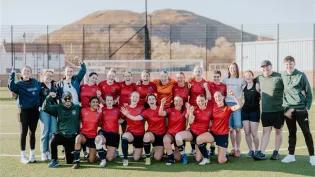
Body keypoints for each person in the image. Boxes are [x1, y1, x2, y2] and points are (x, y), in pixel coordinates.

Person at [280, 56, 314, 166]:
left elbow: (309, 92)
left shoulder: (301, 75)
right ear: (284, 65)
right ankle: (291, 156)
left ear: (294, 64)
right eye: (287, 64)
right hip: (288, 109)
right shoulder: (282, 75)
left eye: (291, 64)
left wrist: (307, 106)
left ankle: (312, 156)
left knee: (306, 132)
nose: (289, 66)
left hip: (300, 109)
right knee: (291, 132)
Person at [8, 66, 41, 164]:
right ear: (22, 74)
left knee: (32, 133)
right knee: (23, 133)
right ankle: (23, 156)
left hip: (35, 111)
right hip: (24, 111)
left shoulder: (35, 82)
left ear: (31, 73)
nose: (26, 72)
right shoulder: (19, 84)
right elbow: (11, 86)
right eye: (24, 71)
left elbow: (41, 90)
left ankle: (32, 155)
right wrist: (12, 74)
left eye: (28, 71)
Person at [254, 60, 284, 161]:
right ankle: (262, 152)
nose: (265, 69)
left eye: (267, 67)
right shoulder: (259, 78)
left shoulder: (279, 77)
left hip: (278, 110)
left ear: (271, 67)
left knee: (278, 131)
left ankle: (276, 152)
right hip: (266, 111)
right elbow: (250, 81)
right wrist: (257, 86)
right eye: (263, 67)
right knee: (265, 131)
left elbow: (287, 90)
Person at [43, 92, 81, 168]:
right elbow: (45, 108)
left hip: (72, 136)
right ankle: (54, 160)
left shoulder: (77, 107)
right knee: (53, 142)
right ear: (62, 100)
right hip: (62, 134)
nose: (67, 100)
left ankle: (77, 155)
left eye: (69, 99)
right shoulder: (58, 107)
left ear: (72, 99)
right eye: (65, 99)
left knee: (69, 161)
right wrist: (49, 97)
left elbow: (88, 109)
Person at [175, 95, 213, 165]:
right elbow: (190, 122)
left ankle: (205, 151)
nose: (200, 102)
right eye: (198, 101)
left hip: (202, 135)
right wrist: (191, 112)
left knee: (198, 159)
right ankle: (183, 155)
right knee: (178, 136)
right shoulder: (194, 109)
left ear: (205, 101)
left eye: (202, 100)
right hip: (192, 133)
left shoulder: (210, 110)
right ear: (196, 101)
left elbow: (212, 123)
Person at [211, 91, 242, 164]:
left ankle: (225, 155)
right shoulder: (213, 107)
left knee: (221, 161)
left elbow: (239, 105)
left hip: (222, 135)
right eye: (215, 97)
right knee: (200, 139)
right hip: (213, 133)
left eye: (219, 96)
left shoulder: (227, 108)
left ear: (223, 97)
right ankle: (205, 155)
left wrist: (234, 96)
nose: (217, 98)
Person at [223, 62, 245, 157]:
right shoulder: (225, 80)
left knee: (238, 128)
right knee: (231, 129)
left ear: (237, 69)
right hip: (227, 105)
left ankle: (238, 148)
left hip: (237, 105)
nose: (232, 69)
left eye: (234, 68)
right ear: (229, 69)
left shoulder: (241, 80)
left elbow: (246, 91)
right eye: (231, 68)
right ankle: (233, 148)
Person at [72, 96, 102, 169]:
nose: (95, 103)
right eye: (93, 102)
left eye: (97, 102)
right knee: (78, 138)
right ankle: (77, 161)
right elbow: (76, 117)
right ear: (89, 103)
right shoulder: (83, 110)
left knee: (92, 160)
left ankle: (91, 155)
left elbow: (101, 124)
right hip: (84, 135)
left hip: (93, 137)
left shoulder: (99, 113)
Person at [188, 66, 210, 155]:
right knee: (191, 126)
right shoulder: (190, 82)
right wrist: (188, 105)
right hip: (193, 107)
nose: (198, 72)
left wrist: (206, 88)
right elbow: (187, 95)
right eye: (196, 71)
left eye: (199, 71)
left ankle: (204, 147)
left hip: (201, 107)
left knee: (202, 127)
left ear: (202, 72)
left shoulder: (205, 82)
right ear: (194, 72)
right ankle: (193, 148)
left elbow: (208, 97)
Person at [159, 96, 188, 165]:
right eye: (176, 101)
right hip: (171, 134)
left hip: (180, 136)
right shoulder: (170, 110)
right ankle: (170, 158)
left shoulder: (185, 111)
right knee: (166, 139)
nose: (178, 102)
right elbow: (160, 113)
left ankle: (172, 152)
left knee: (177, 158)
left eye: (180, 101)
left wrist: (189, 107)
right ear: (174, 102)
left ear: (182, 103)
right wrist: (162, 104)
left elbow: (189, 117)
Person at [95, 95, 122, 167]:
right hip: (104, 132)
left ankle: (110, 152)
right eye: (108, 100)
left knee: (109, 158)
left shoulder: (117, 110)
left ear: (113, 101)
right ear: (105, 101)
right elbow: (98, 122)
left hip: (114, 134)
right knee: (98, 139)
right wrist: (99, 113)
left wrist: (120, 121)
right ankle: (102, 160)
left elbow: (123, 118)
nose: (109, 102)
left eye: (111, 100)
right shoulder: (102, 109)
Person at [120, 91, 145, 166]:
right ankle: (125, 158)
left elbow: (139, 118)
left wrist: (127, 114)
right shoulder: (126, 108)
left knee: (136, 158)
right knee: (124, 137)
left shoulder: (142, 108)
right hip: (130, 132)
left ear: (139, 99)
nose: (135, 98)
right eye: (133, 96)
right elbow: (121, 120)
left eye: (137, 97)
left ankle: (136, 150)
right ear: (130, 97)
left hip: (140, 134)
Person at [206, 70, 227, 156]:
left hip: (220, 110)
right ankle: (212, 148)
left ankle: (221, 147)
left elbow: (224, 97)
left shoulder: (223, 86)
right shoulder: (210, 84)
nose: (216, 78)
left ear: (220, 77)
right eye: (214, 77)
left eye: (217, 77)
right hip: (211, 109)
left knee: (219, 127)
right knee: (211, 127)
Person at [142, 94, 166, 165]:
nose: (151, 100)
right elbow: (138, 119)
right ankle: (147, 157)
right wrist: (128, 115)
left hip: (162, 134)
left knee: (157, 158)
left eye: (153, 99)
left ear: (156, 100)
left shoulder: (161, 108)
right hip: (152, 134)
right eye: (149, 99)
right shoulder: (146, 111)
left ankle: (155, 150)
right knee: (146, 136)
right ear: (147, 102)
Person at [39, 70, 58, 161]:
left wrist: (56, 96)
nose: (48, 78)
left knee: (52, 132)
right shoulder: (40, 85)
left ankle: (50, 151)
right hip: (44, 111)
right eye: (47, 76)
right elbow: (38, 97)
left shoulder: (54, 85)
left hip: (53, 110)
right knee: (45, 131)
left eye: (50, 76)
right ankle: (44, 151)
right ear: (43, 77)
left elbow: (58, 97)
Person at [241, 70, 260, 158]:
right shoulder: (244, 86)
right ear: (244, 78)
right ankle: (251, 150)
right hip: (245, 112)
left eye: (249, 75)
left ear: (252, 76)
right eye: (246, 76)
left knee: (254, 133)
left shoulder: (256, 85)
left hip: (254, 112)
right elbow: (241, 99)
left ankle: (257, 150)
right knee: (247, 132)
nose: (248, 77)